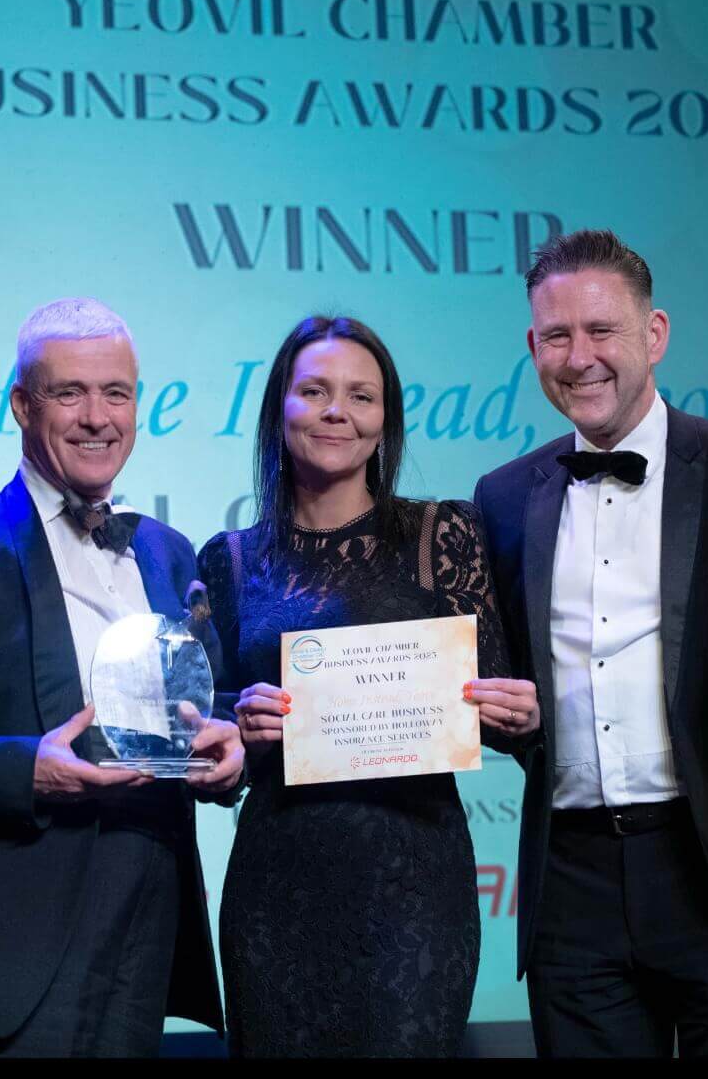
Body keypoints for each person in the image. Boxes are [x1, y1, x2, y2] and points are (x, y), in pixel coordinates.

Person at [470, 231, 708, 1058]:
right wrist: (503, 717)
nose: (578, 358)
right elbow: (504, 681)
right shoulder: (504, 496)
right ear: (531, 346)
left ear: (653, 334)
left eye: (600, 331)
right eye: (556, 337)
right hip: (571, 874)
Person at [0, 297, 244, 1058]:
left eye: (115, 392)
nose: (96, 416)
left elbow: (201, 711)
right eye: (69, 393)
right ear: (21, 404)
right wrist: (28, 771)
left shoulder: (170, 554)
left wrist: (227, 751)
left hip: (139, 928)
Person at [196, 315, 540, 1058]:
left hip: (412, 883)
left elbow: (497, 709)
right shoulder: (227, 559)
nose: (335, 412)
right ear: (277, 409)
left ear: (385, 421)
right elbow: (215, 748)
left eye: (361, 396)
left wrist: (517, 714)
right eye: (313, 390)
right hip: (275, 882)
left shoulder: (441, 532)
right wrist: (239, 730)